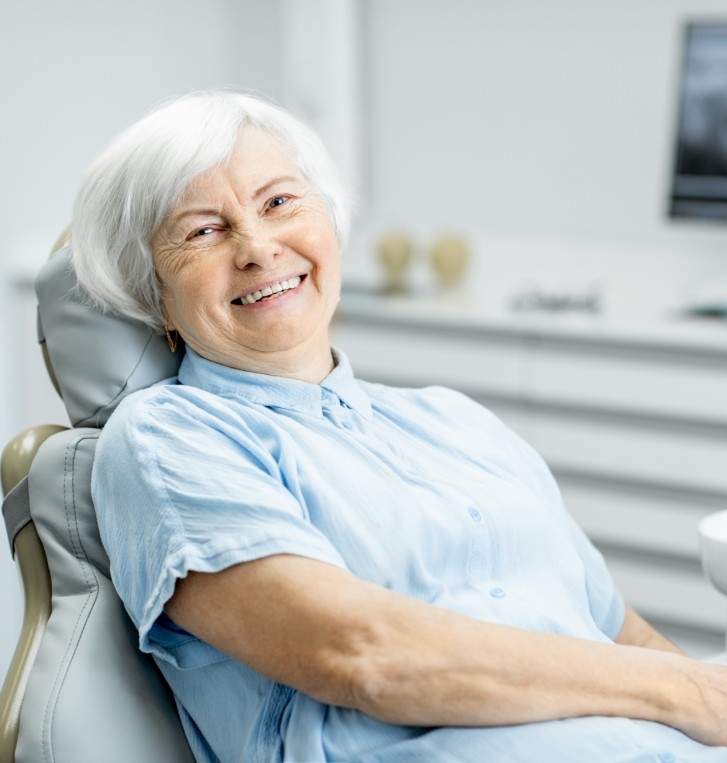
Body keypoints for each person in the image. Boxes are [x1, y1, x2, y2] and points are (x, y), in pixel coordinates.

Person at [71, 90, 727, 763]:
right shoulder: (168, 437)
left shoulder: (455, 419)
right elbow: (362, 655)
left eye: (278, 202)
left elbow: (622, 635)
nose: (258, 247)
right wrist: (686, 690)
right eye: (203, 230)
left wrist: (697, 697)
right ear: (155, 298)